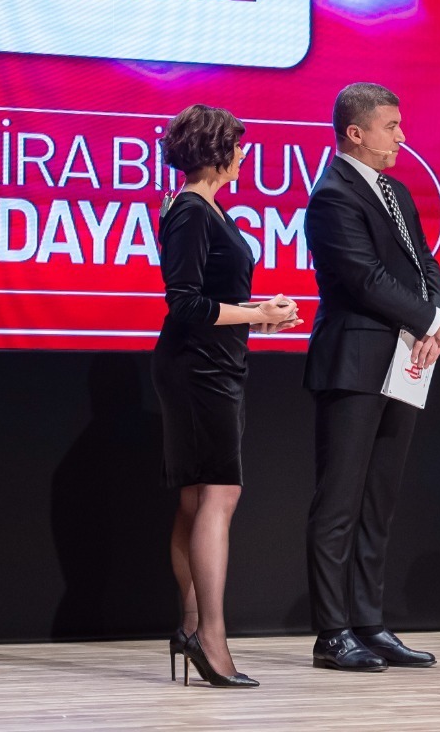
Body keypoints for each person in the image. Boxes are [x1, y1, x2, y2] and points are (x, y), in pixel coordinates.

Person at [303, 83, 440, 672]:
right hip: (354, 361)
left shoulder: (396, 191)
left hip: (405, 361)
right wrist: (432, 321)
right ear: (356, 133)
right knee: (339, 502)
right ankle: (332, 633)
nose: (401, 137)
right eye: (391, 127)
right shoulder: (332, 195)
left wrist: (436, 319)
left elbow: (425, 262)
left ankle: (369, 623)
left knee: (379, 501)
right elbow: (364, 278)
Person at [153, 104, 300, 689]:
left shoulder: (207, 209)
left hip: (216, 363)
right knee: (218, 493)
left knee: (198, 499)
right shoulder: (191, 210)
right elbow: (185, 303)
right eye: (237, 145)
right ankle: (210, 639)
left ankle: (192, 628)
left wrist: (260, 315)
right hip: (198, 369)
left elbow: (213, 297)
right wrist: (258, 313)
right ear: (215, 150)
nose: (243, 154)